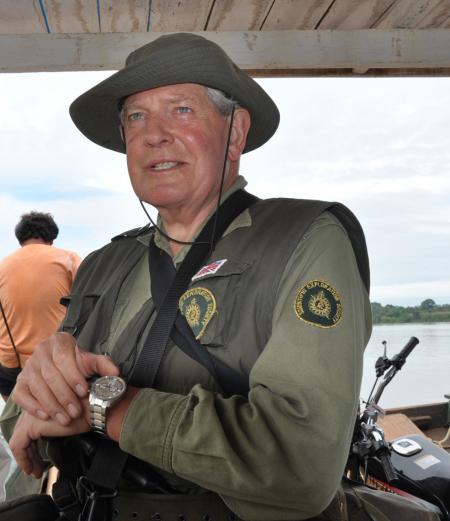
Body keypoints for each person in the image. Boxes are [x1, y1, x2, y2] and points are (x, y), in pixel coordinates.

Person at [0, 33, 372, 520]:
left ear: (235, 133)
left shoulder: (305, 240)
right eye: (136, 116)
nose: (153, 134)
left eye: (180, 110)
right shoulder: (104, 263)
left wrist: (100, 405)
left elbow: (298, 466)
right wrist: (47, 382)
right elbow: (19, 422)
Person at [0, 212, 82, 399]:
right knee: (55, 420)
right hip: (55, 362)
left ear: (20, 239)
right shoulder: (68, 260)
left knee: (15, 420)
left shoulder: (2, 266)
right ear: (51, 237)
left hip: (9, 365)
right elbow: (90, 303)